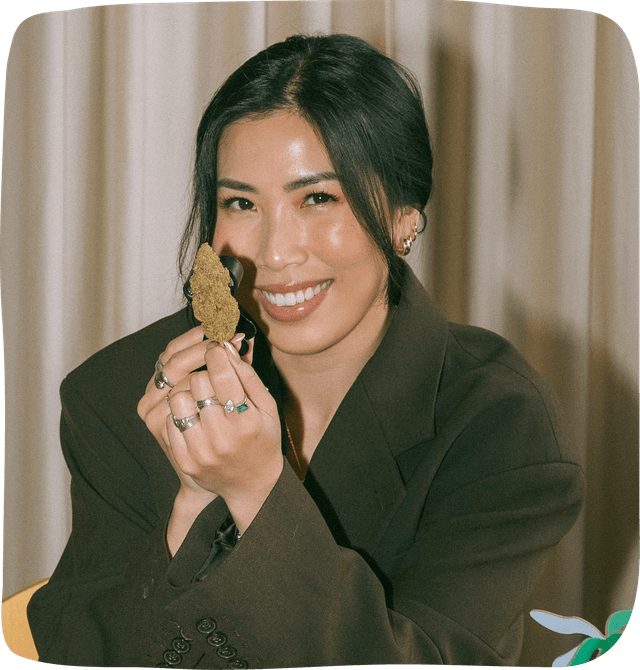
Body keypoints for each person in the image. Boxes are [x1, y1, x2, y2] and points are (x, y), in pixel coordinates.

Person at [27, 34, 585, 669]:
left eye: (318, 198)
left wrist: (259, 493)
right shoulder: (118, 394)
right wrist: (194, 510)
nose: (275, 253)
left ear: (406, 213)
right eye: (240, 203)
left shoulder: (499, 426)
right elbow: (77, 648)